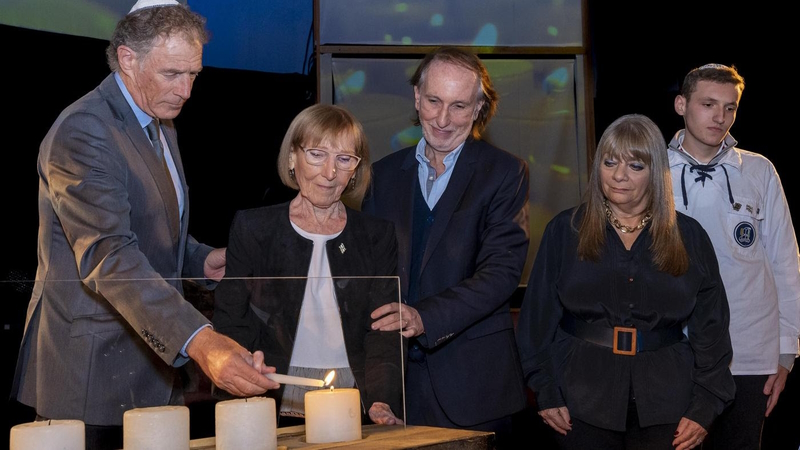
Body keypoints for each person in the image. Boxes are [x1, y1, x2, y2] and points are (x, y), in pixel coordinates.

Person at [10, 2, 279, 449]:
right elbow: (108, 255)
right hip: (90, 379)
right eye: (173, 73)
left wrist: (200, 260)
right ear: (128, 59)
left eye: (194, 74)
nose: (187, 90)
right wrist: (202, 341)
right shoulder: (84, 130)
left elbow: (152, 226)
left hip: (150, 373)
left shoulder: (159, 121)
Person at [517, 114, 735, 450]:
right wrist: (545, 392)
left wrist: (705, 406)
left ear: (655, 173)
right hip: (578, 403)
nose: (619, 175)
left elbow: (713, 331)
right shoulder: (565, 230)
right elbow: (535, 323)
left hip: (670, 407)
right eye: (609, 162)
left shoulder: (689, 237)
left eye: (635, 165)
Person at [363, 46, 530, 448]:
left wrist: (424, 317)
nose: (442, 119)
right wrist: (375, 384)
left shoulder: (506, 173)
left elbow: (501, 275)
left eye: (458, 106)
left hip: (475, 389)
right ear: (416, 97)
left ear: (478, 109)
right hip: (396, 389)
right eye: (434, 101)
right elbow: (373, 286)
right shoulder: (382, 176)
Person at [212, 103, 404, 426]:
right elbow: (232, 322)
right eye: (317, 154)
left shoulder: (377, 236)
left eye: (344, 160)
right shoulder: (253, 229)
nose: (330, 173)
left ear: (355, 170)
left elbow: (383, 331)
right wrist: (243, 389)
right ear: (292, 158)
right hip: (268, 403)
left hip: (354, 404)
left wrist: (382, 400)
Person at [668, 63, 800, 449]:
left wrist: (787, 352)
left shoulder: (759, 171)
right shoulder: (652, 171)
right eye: (708, 104)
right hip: (675, 352)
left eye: (730, 107)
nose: (720, 117)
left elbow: (785, 263)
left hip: (750, 353)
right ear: (681, 105)